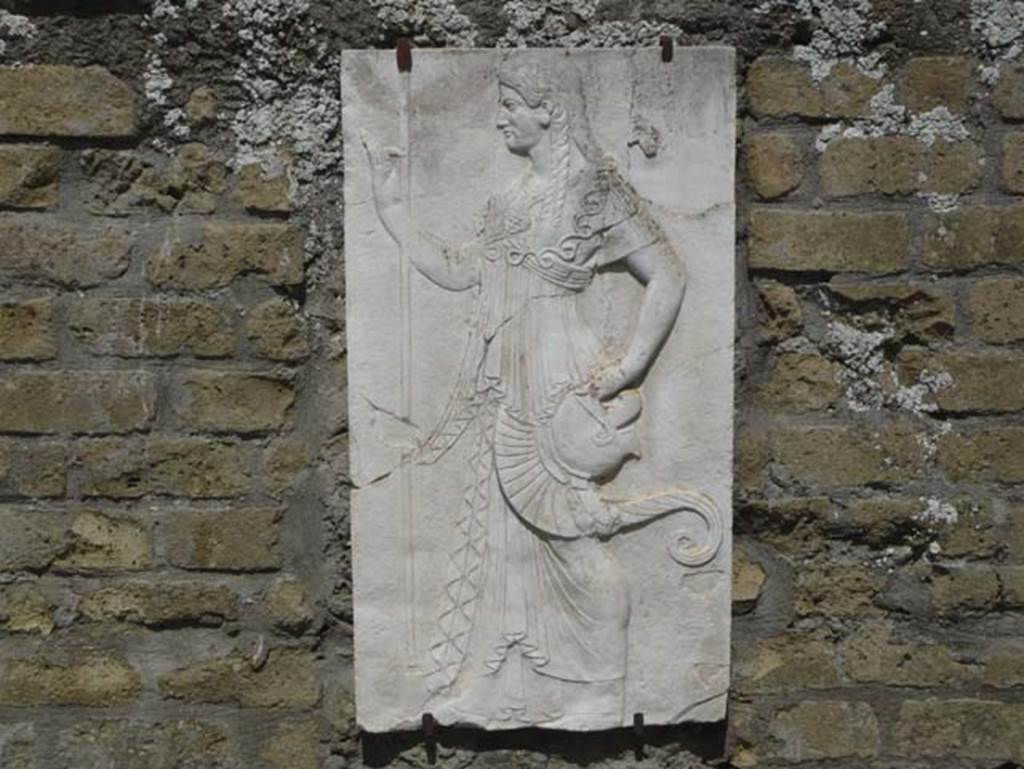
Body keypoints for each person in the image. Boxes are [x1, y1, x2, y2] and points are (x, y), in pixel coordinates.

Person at [365, 57, 686, 729]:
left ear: (550, 111)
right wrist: (391, 211)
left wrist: (629, 367)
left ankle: (605, 689)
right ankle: (490, 681)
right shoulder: (510, 200)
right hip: (507, 381)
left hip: (559, 379)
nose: (500, 117)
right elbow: (459, 272)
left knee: (571, 534)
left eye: (511, 103)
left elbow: (668, 274)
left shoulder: (596, 190)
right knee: (504, 542)